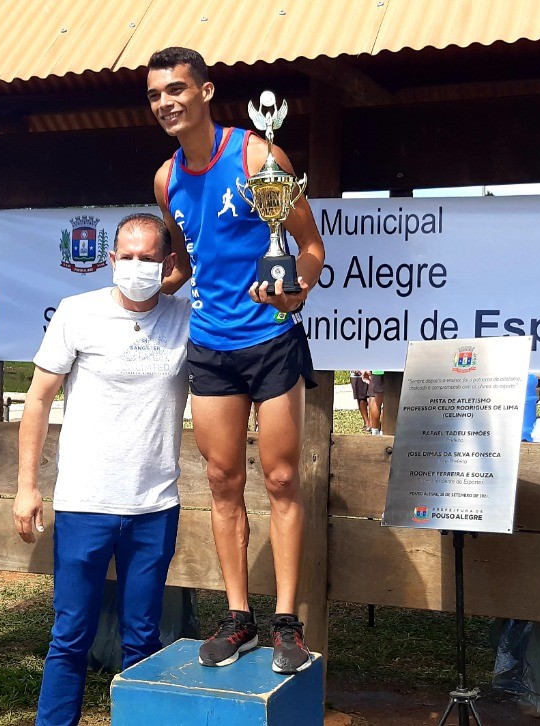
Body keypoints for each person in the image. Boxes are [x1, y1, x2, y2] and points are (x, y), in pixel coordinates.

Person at [147, 46, 326, 674]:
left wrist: (296, 286)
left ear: (204, 91)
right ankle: (238, 617)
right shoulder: (166, 180)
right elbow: (189, 264)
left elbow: (309, 244)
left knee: (280, 480)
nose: (166, 103)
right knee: (223, 483)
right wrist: (151, 284)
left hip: (271, 339)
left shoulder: (257, 156)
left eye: (176, 90)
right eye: (155, 95)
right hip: (211, 347)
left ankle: (287, 624)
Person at [14, 213, 190, 726]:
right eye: (127, 257)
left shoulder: (186, 318)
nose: (136, 266)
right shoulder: (76, 312)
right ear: (111, 260)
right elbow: (38, 400)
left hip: (154, 506)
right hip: (83, 503)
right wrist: (27, 487)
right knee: (69, 635)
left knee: (143, 637)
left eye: (149, 258)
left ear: (168, 264)